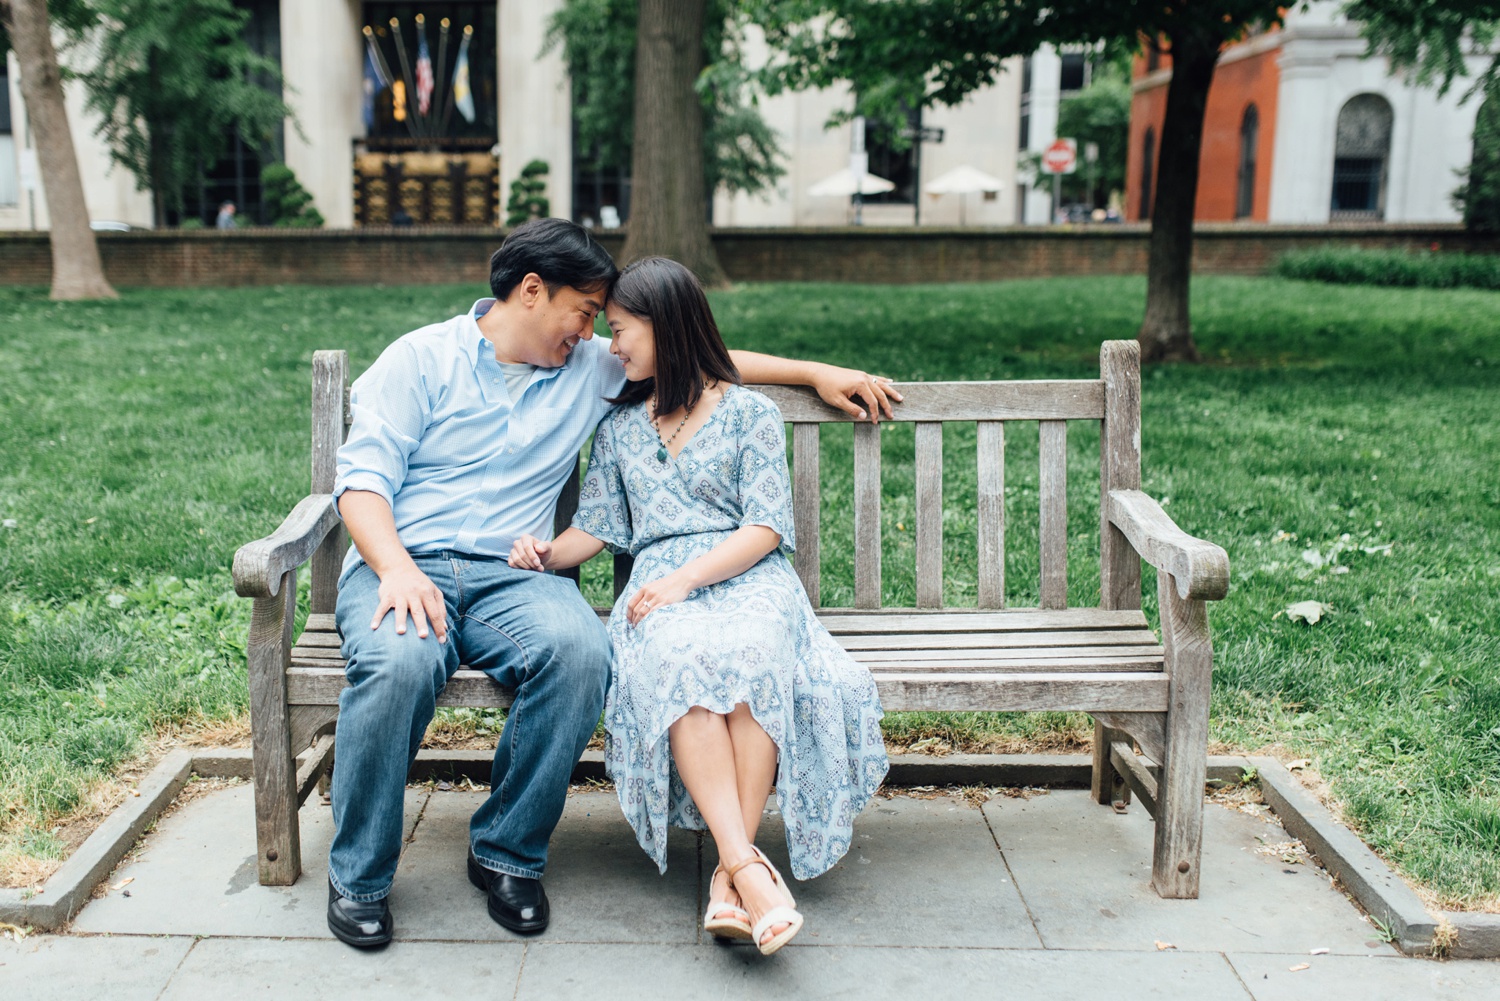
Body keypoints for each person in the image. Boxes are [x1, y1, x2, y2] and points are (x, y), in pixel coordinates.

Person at [326, 219, 899, 950]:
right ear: (533, 291)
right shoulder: (418, 360)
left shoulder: (586, 364)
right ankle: (361, 878)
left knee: (580, 653)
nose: (594, 332)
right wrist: (399, 567)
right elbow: (362, 482)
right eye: (586, 312)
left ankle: (505, 852)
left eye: (604, 321)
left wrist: (813, 371)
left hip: (516, 574)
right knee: (398, 663)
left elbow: (697, 356)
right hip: (404, 563)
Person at [508, 257, 890, 956]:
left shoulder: (748, 413)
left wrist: (688, 578)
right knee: (680, 660)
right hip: (659, 584)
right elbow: (595, 527)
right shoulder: (621, 426)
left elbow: (764, 527)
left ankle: (729, 873)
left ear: (667, 328)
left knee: (750, 660)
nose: (611, 344)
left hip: (749, 576)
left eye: (621, 330)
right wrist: (545, 552)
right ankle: (746, 871)